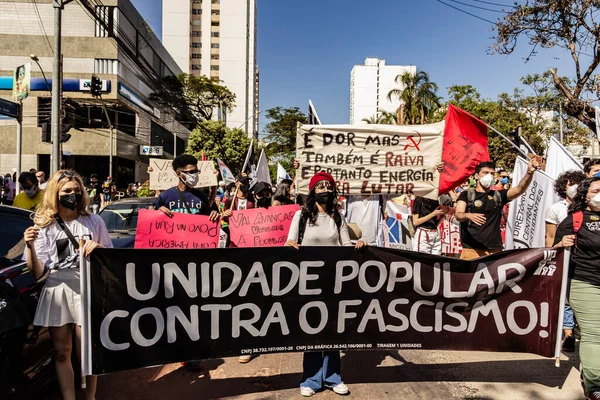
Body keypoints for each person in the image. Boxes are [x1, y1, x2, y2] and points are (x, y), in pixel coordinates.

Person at [22, 170, 113, 400]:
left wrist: (97, 248)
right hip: (57, 290)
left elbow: (111, 259)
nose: (73, 194)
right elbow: (37, 272)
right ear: (56, 193)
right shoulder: (44, 225)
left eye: (76, 190)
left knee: (88, 353)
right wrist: (30, 246)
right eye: (66, 191)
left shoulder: (94, 221)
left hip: (87, 289)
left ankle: (90, 396)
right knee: (62, 352)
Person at [285, 172, 365, 397]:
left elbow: (346, 246)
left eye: (328, 186)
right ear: (312, 191)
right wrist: (290, 245)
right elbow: (290, 243)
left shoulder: (338, 217)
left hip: (333, 282)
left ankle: (332, 378)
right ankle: (310, 379)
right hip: (307, 282)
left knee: (332, 330)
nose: (324, 190)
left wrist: (358, 244)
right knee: (311, 331)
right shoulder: (300, 216)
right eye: (319, 186)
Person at [554, 177, 600, 400]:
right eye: (597, 190)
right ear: (585, 195)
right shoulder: (574, 219)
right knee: (595, 333)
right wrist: (561, 244)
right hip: (584, 282)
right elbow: (551, 251)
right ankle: (594, 385)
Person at [455, 159, 539, 260]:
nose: (489, 176)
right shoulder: (467, 194)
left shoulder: (498, 195)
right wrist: (468, 215)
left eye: (492, 173)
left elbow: (519, 189)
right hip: (472, 250)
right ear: (476, 176)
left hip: (495, 250)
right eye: (485, 173)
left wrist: (529, 173)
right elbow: (458, 214)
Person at [544, 170, 587, 352]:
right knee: (566, 298)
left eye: (577, 183)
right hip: (566, 258)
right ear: (563, 187)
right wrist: (552, 255)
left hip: (586, 261)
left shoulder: (589, 207)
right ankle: (568, 334)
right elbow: (550, 237)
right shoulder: (556, 209)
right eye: (570, 183)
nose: (573, 187)